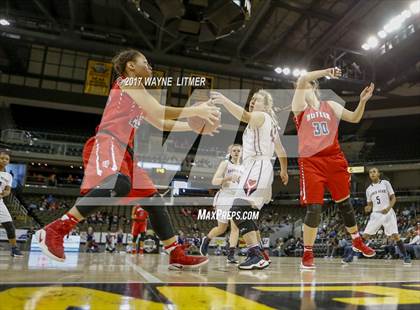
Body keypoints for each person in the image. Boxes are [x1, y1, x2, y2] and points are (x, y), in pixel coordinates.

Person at [36, 49, 220, 269]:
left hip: (126, 152)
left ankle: (175, 254)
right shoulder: (128, 82)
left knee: (155, 201)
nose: (150, 66)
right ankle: (56, 229)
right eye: (145, 62)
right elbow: (159, 110)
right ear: (130, 66)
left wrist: (195, 129)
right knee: (119, 184)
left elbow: (161, 122)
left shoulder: (138, 94)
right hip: (109, 142)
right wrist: (194, 111)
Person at [292, 67, 376, 269]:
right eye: (298, 87)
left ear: (315, 87)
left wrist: (362, 101)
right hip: (311, 162)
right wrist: (328, 70)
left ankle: (357, 240)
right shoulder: (299, 108)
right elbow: (303, 78)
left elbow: (355, 118)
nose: (301, 88)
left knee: (345, 204)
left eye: (305, 86)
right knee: (314, 209)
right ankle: (308, 253)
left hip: (334, 159)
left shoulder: (330, 105)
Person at [210, 89, 289, 270]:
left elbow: (245, 116)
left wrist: (224, 100)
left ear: (266, 105)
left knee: (238, 208)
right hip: (255, 168)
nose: (252, 102)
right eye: (252, 99)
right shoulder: (270, 123)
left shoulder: (261, 116)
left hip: (257, 166)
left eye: (257, 100)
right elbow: (281, 151)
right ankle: (260, 253)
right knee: (243, 211)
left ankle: (256, 254)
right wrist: (283, 171)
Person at [200, 144, 242, 264]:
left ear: (242, 153)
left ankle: (231, 254)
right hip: (224, 197)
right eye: (234, 150)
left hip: (237, 198)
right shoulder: (225, 164)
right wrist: (228, 178)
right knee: (221, 228)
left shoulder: (244, 167)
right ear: (230, 152)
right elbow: (214, 181)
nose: (236, 152)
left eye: (239, 151)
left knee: (235, 227)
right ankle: (206, 240)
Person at [363, 168, 411, 264]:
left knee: (396, 236)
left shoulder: (385, 183)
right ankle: (350, 256)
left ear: (378, 174)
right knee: (364, 236)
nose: (372, 174)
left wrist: (389, 208)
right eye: (370, 173)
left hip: (388, 212)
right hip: (376, 214)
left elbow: (393, 198)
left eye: (374, 172)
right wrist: (368, 208)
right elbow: (370, 204)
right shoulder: (368, 189)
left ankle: (405, 256)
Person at [0, 150, 23, 257]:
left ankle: (14, 249)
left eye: (7, 159)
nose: (4, 160)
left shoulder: (8, 176)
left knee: (9, 225)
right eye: (2, 158)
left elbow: (8, 191)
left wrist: (4, 193)